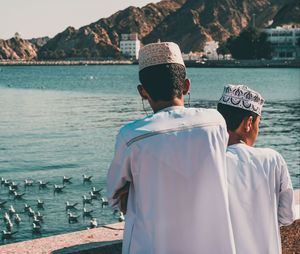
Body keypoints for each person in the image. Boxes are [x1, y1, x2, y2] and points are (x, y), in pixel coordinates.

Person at [107, 42, 236, 254]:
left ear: (142, 92)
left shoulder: (131, 136)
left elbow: (114, 196)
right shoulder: (215, 122)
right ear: (186, 86)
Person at [217, 84, 296, 254]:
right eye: (258, 123)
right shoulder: (272, 159)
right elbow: (287, 216)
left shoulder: (212, 162)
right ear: (249, 123)